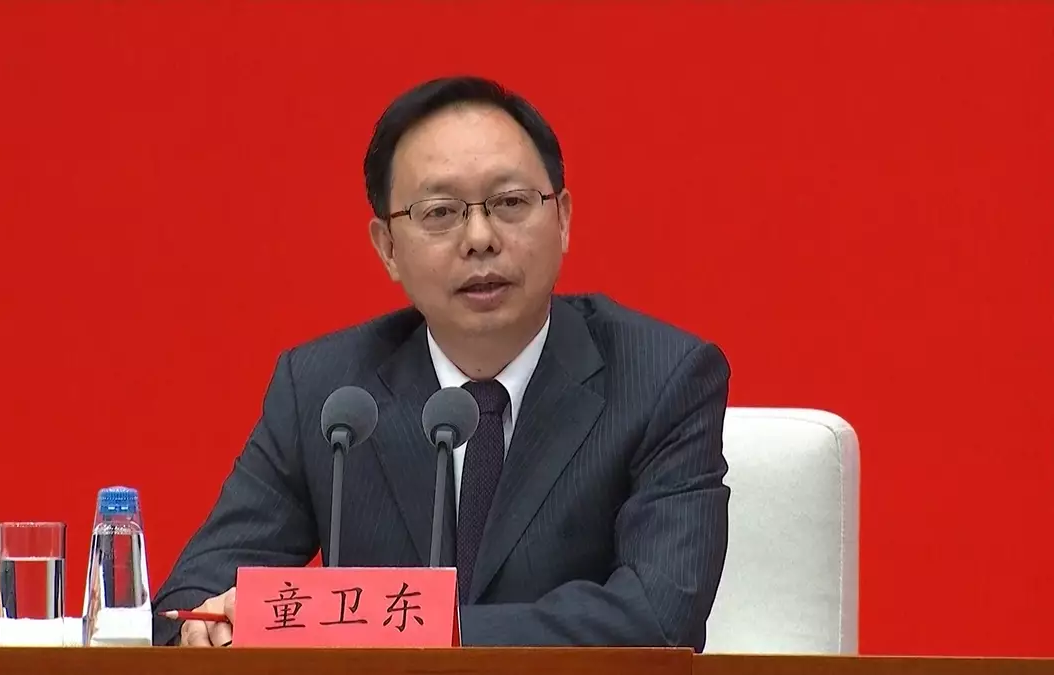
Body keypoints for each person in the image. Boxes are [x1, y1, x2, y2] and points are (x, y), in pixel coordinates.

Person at [152, 76, 731, 649]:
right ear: (387, 248)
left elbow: (659, 616)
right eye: (440, 212)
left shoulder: (662, 378)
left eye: (510, 203)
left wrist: (387, 627)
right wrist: (207, 630)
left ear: (563, 219)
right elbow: (190, 600)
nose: (479, 238)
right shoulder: (326, 390)